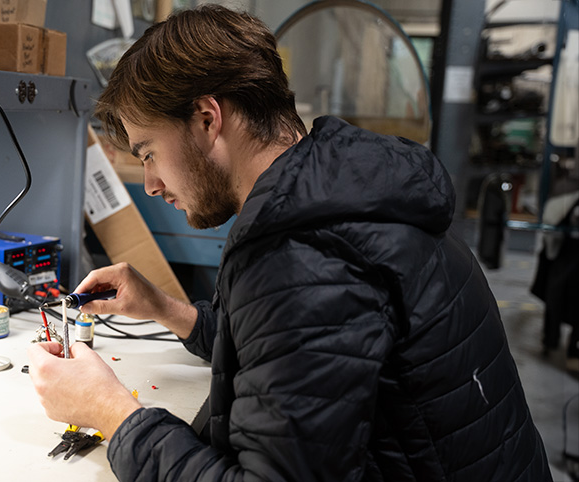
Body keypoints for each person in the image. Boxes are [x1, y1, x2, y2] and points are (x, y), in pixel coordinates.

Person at [28, 5, 552, 481]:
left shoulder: (304, 256)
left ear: (208, 119)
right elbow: (292, 355)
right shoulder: (337, 189)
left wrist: (112, 413)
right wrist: (168, 310)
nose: (151, 183)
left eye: (147, 153)